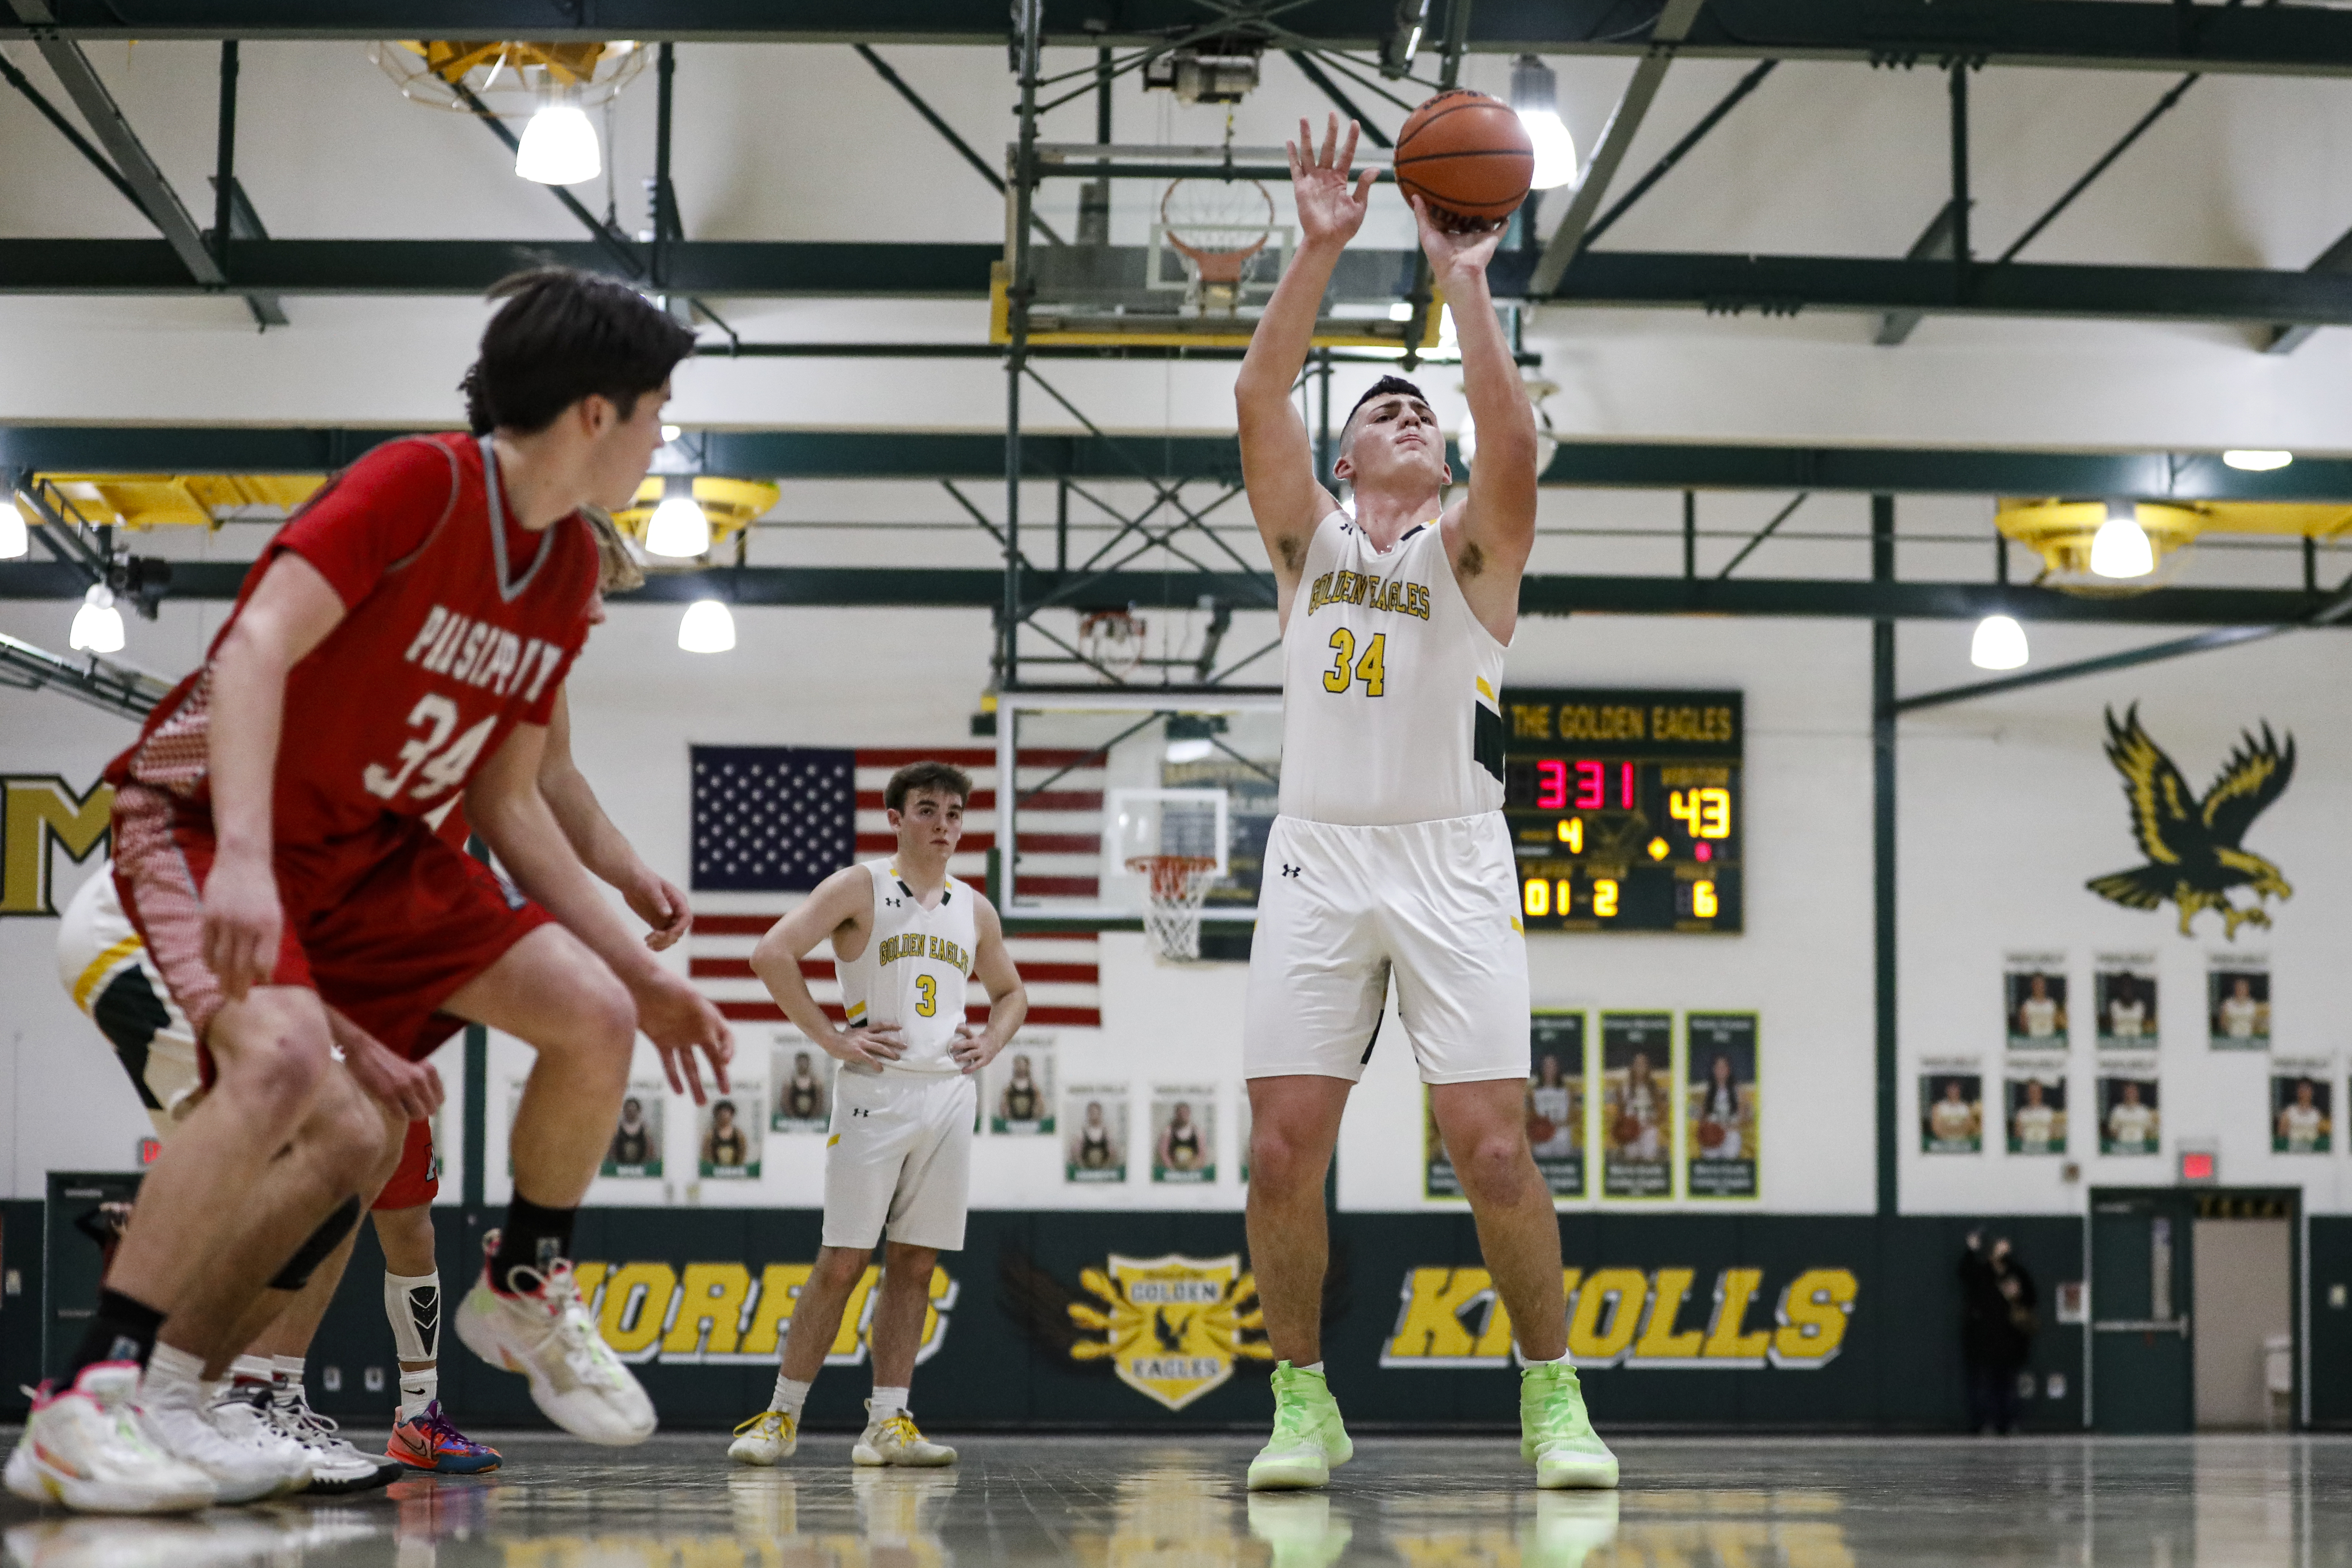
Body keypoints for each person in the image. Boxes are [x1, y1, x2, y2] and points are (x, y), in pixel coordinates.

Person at [9, 269, 732, 1515]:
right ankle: (93, 1397)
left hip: (374, 852)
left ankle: (523, 1288)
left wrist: (636, 962)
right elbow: (252, 647)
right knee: (290, 1075)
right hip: (207, 821)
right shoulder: (419, 483)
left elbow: (510, 804)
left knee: (590, 1016)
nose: (664, 439)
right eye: (660, 411)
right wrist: (240, 851)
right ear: (596, 413)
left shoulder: (562, 574)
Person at [1232, 114, 1611, 1492]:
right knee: (1282, 1147)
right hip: (1317, 857)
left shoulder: (1474, 553)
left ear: (1442, 465)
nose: (1402, 411)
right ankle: (1299, 1401)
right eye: (1375, 409)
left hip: (1450, 859)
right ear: (1343, 466)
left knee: (1491, 1146)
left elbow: (1509, 439)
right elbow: (1257, 399)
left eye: (1419, 409)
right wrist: (1319, 248)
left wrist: (1463, 282)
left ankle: (1550, 1394)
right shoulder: (1307, 547)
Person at [729, 762, 1028, 1470]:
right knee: (842, 1261)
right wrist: (830, 1037)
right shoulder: (859, 886)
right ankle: (781, 1415)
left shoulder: (974, 908)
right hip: (874, 1091)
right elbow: (770, 952)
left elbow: (1011, 992)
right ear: (895, 818)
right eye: (927, 809)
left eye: (954, 812)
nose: (943, 823)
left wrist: (991, 1037)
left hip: (948, 1094)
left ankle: (888, 1422)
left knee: (916, 1264)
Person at [1960, 1233, 2036, 1434]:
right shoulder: (1983, 1274)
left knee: (2006, 1384)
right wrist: (1970, 1250)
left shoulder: (2016, 1274)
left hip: (2009, 1341)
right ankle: (1979, 1424)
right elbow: (1965, 1274)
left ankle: (2005, 1423)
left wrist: (2017, 1294)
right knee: (1981, 1384)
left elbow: (2030, 1299)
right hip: (1982, 1340)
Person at [1618, 1053, 1663, 1162]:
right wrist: (1628, 1127)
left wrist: (1651, 1123)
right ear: (1632, 1067)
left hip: (1649, 1128)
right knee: (1632, 1160)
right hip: (1630, 1129)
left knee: (1649, 1160)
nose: (1641, 1068)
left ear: (1648, 1068)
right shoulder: (1624, 1087)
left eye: (1644, 1065)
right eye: (1638, 1064)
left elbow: (1661, 1111)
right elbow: (1620, 1114)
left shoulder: (1653, 1088)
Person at [1527, 1053, 1573, 1161]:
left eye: (1553, 1065)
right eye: (1547, 1065)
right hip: (1542, 1137)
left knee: (1563, 1167)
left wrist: (1557, 1124)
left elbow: (1572, 1117)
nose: (1550, 1069)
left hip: (1562, 1135)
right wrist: (1541, 1127)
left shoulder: (1566, 1091)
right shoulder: (1534, 1093)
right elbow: (1532, 1118)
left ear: (1558, 1068)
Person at [1695, 1054, 1741, 1160]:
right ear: (1713, 1070)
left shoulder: (1737, 1090)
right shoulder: (1706, 1090)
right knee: (1711, 1157)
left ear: (1729, 1070)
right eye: (1718, 1067)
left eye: (1724, 1067)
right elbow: (1702, 1117)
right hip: (1712, 1133)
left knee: (1731, 1153)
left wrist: (1728, 1127)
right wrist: (1709, 1128)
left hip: (1731, 1132)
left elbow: (1743, 1118)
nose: (1721, 1070)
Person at [2277, 1079, 2327, 1151]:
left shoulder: (2317, 1114)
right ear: (2297, 1091)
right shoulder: (2289, 1112)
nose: (2304, 1092)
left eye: (2307, 1089)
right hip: (2292, 1154)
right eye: (2302, 1089)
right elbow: (2281, 1136)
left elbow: (2322, 1136)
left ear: (2312, 1092)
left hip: (2313, 1155)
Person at [2107, 1080, 2155, 1152]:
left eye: (2133, 1091)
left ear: (2137, 1093)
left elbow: (2149, 1132)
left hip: (2140, 1149)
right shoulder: (2117, 1111)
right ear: (2124, 1093)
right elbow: (2112, 1131)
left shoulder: (2144, 1111)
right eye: (2128, 1091)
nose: (2130, 1094)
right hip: (2121, 1150)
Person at [2012, 1079, 2057, 1154]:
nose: (2034, 1094)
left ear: (2041, 1093)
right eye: (2031, 1092)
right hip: (2026, 1152)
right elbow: (2017, 1134)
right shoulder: (2022, 1113)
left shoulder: (2049, 1112)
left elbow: (2054, 1134)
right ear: (2027, 1094)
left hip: (2045, 1152)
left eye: (2036, 1092)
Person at [610, 1097, 655, 1168]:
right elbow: (612, 1148)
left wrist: (647, 1165)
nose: (631, 1113)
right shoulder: (618, 1128)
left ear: (638, 1111)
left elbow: (650, 1148)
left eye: (633, 1110)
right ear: (624, 1111)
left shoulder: (645, 1128)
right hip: (621, 1166)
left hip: (640, 1166)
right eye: (628, 1110)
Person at [1930, 1080, 1978, 1146]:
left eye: (1956, 1088)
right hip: (1943, 1144)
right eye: (1951, 1088)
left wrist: (1947, 1126)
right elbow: (1937, 1129)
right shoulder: (1938, 1108)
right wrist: (1960, 1127)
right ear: (1946, 1090)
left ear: (1960, 1090)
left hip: (1963, 1144)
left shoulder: (1967, 1108)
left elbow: (1971, 1128)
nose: (1953, 1091)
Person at [999, 1053, 1043, 1125]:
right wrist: (1007, 1117)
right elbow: (1004, 1105)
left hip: (1030, 1123)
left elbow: (1040, 1104)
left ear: (1027, 1066)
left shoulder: (1034, 1087)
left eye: (1023, 1065)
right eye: (1018, 1065)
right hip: (1013, 1123)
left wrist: (1036, 1117)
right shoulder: (1009, 1087)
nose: (1021, 1068)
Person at [1161, 1101, 1205, 1172]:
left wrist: (1193, 1168)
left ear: (1189, 1113)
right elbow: (1163, 1153)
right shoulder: (1168, 1131)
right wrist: (1171, 1169)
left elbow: (1202, 1154)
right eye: (1180, 1113)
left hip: (1193, 1169)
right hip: (1173, 1168)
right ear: (1176, 1114)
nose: (1183, 1116)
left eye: (1185, 1113)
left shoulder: (1198, 1131)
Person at [2016, 974, 2062, 1041]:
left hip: (2051, 1041)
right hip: (2032, 1042)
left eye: (2041, 984)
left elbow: (2059, 1024)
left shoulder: (2053, 1004)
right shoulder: (2026, 1005)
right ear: (2032, 986)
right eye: (2036, 984)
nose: (2039, 987)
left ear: (2045, 986)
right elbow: (2023, 1029)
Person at [782, 1050, 825, 1123]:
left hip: (813, 1120)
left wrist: (813, 1118)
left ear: (809, 1063)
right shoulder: (790, 1082)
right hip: (793, 1119)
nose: (803, 1065)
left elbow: (820, 1102)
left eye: (805, 1062)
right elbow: (785, 1102)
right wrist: (793, 1118)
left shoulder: (816, 1082)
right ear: (797, 1063)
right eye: (800, 1062)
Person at [705, 1101, 748, 1168]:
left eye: (727, 1112)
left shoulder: (739, 1134)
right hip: (716, 1171)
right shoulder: (711, 1135)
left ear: (732, 1114)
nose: (724, 1115)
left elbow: (742, 1152)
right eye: (721, 1113)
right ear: (716, 1115)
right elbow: (706, 1155)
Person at [2105, 975, 2147, 1042]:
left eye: (2129, 986)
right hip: (2117, 1044)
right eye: (2124, 986)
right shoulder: (2113, 1006)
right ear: (2120, 988)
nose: (2127, 989)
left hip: (2138, 1044)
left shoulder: (2140, 1006)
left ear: (2134, 988)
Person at [2218, 976, 2262, 1041]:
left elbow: (2257, 1023)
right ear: (2235, 989)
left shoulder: (2253, 1004)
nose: (2241, 990)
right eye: (2238, 988)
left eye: (2243, 988)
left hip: (2249, 1038)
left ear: (2248, 990)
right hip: (2231, 1038)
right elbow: (2223, 1023)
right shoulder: (2228, 1004)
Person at [1077, 1102, 1114, 1170]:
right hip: (1086, 1167)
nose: (1094, 1115)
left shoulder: (1107, 1131)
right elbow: (1076, 1152)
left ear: (1100, 1114)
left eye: (1096, 1112)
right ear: (1088, 1114)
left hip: (1104, 1167)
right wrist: (1082, 1168)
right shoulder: (1083, 1131)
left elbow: (1112, 1152)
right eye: (1092, 1113)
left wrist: (1107, 1168)